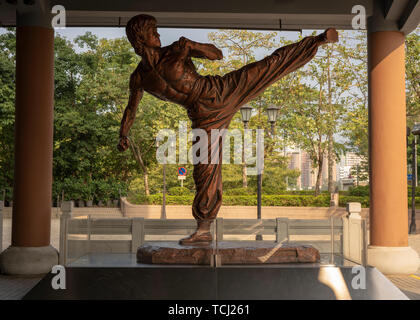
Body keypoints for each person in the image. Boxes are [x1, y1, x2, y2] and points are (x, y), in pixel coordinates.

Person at [118, 14, 338, 245]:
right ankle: (203, 231)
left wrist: (193, 46)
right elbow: (131, 109)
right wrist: (123, 134)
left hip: (219, 91)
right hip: (202, 116)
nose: (158, 35)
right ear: (140, 37)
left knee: (266, 67)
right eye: (154, 32)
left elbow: (217, 54)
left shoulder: (174, 50)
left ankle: (318, 40)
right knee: (205, 170)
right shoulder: (139, 78)